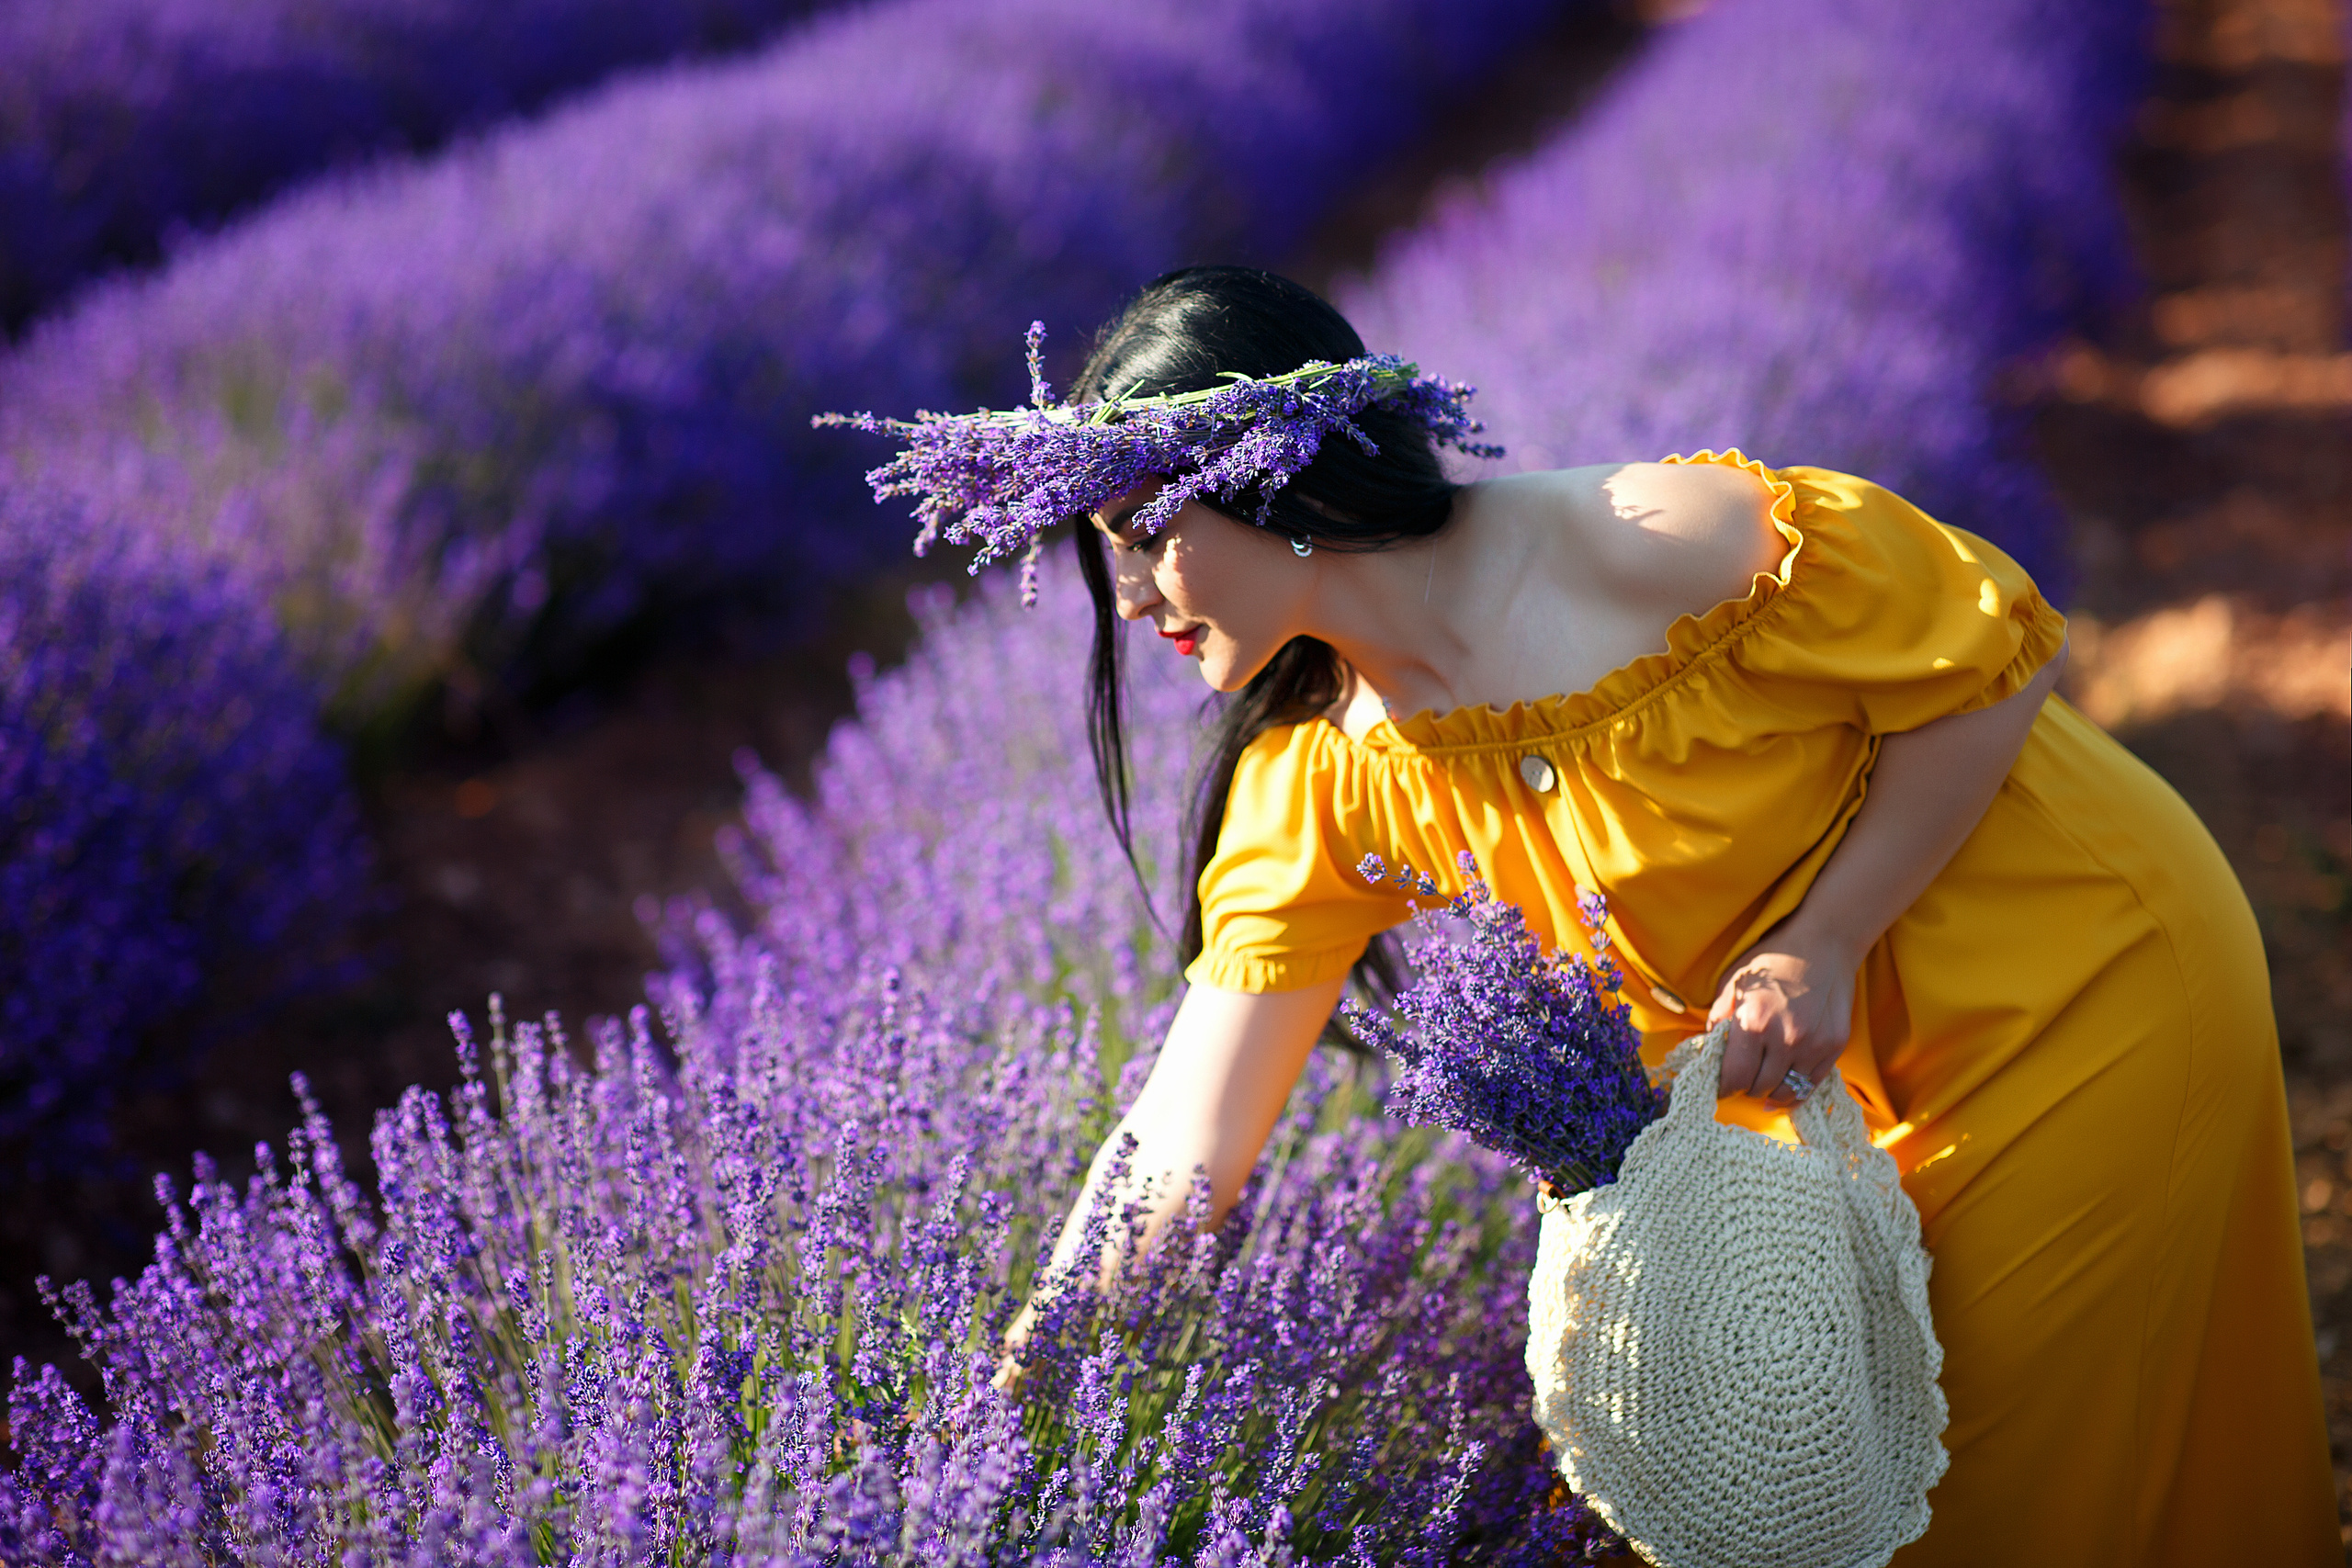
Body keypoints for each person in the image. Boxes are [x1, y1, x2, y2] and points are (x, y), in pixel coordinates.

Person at [956, 265, 2335, 1562]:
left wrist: (1830, 933)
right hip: (1828, 1125)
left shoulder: (1647, 543)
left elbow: (1991, 659)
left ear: (1280, 480)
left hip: (2078, 987)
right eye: (1104, 552)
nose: (1126, 595)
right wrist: (1024, 1381)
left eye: (1146, 537)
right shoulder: (1319, 772)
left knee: (2000, 1504)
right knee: (1826, 1501)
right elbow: (1186, 1135)